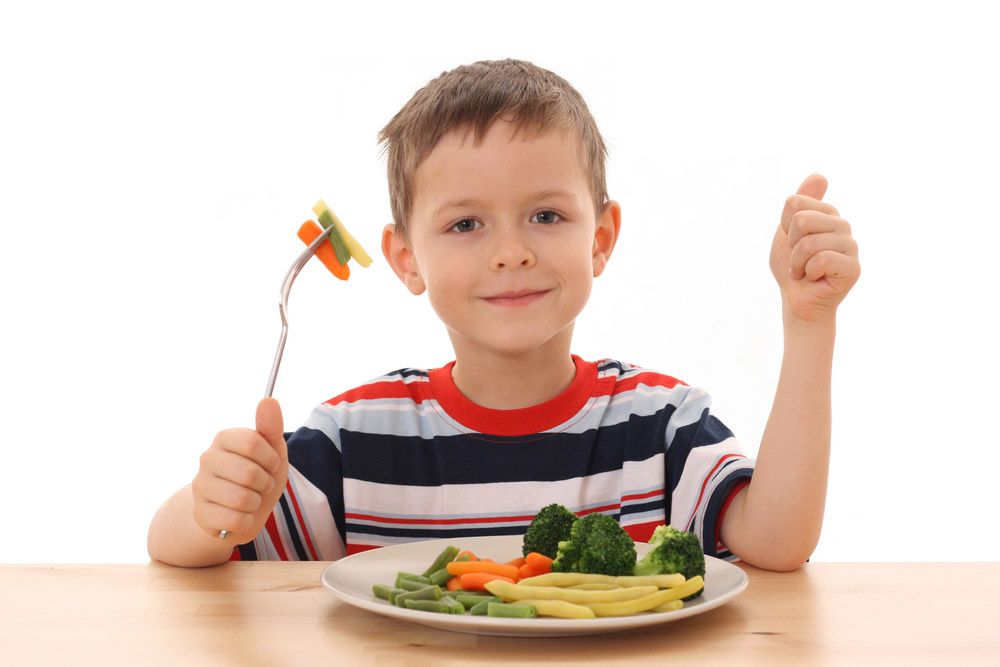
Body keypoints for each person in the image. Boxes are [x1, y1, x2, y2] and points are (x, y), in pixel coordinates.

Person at [147, 58, 860, 570]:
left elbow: (778, 541)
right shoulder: (353, 440)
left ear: (600, 238)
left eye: (545, 215)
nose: (511, 252)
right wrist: (212, 511)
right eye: (466, 224)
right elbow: (176, 549)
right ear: (407, 259)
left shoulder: (659, 425)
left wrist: (809, 324)